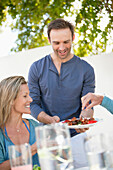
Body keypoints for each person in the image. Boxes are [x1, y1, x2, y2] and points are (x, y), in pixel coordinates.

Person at [28, 18, 95, 137]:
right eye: (56, 43)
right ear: (49, 40)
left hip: (77, 135)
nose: (62, 48)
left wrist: (85, 119)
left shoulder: (87, 69)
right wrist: (50, 120)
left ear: (73, 38)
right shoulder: (36, 68)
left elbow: (88, 104)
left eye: (66, 42)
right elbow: (33, 104)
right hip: (47, 135)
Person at [0, 76, 40, 169]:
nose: (30, 100)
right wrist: (31, 151)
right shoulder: (1, 133)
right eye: (25, 96)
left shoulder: (35, 126)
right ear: (10, 100)